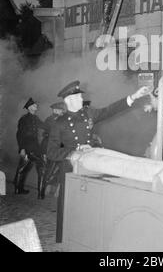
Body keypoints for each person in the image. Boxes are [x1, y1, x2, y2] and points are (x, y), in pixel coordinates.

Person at [47, 80, 150, 243]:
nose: (82, 99)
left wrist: (134, 96)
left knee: (88, 205)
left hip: (89, 168)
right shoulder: (59, 123)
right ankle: (65, 241)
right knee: (68, 207)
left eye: (81, 96)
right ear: (70, 100)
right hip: (69, 170)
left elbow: (110, 110)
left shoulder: (89, 114)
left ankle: (86, 239)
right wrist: (73, 151)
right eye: (79, 96)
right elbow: (51, 152)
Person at [14, 98, 46, 198]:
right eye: (34, 105)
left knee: (28, 168)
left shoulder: (36, 118)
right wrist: (22, 148)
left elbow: (44, 126)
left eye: (36, 105)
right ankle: (18, 189)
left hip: (35, 147)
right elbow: (19, 134)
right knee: (22, 168)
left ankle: (19, 189)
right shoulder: (24, 119)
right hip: (26, 146)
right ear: (29, 107)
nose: (36, 106)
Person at [39, 102, 66, 199]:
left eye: (61, 109)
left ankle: (49, 190)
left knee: (56, 169)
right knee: (48, 169)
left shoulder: (61, 120)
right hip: (48, 147)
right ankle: (42, 191)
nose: (60, 111)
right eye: (58, 109)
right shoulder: (50, 120)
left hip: (58, 148)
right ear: (54, 110)